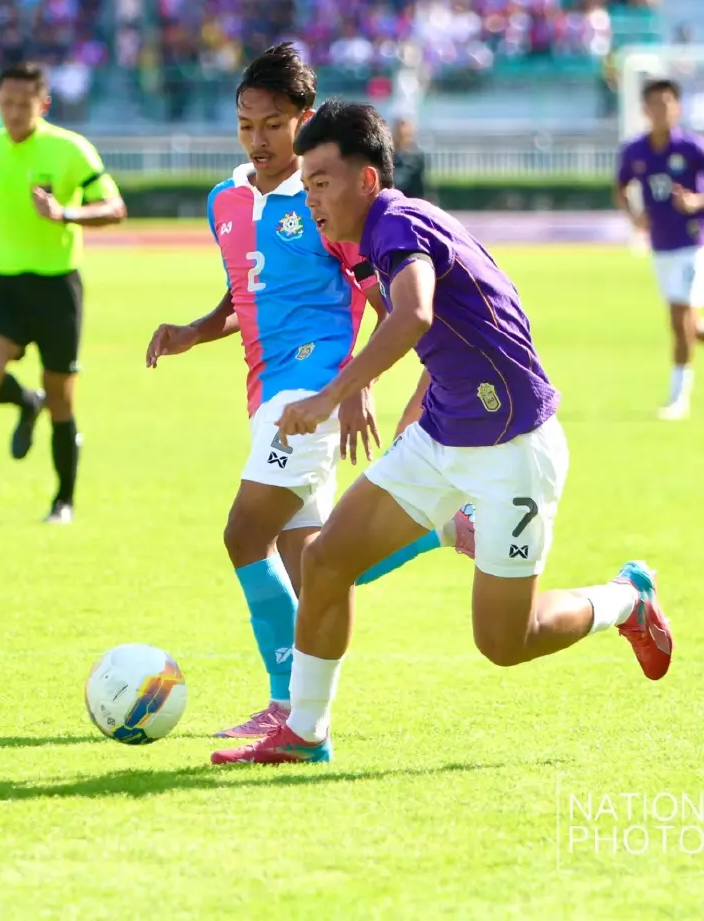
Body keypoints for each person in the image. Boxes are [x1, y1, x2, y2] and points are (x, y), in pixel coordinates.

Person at [211, 100, 673, 766]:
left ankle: (627, 600)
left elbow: (416, 313)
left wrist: (332, 395)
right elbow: (468, 315)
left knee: (507, 640)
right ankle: (305, 732)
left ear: (366, 179)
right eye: (305, 183)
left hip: (514, 452)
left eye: (321, 182)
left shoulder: (396, 221)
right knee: (325, 559)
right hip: (443, 436)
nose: (311, 198)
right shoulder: (383, 231)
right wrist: (425, 397)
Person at [145, 45, 475, 741]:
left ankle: (283, 703)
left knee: (243, 534)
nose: (258, 140)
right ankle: (439, 525)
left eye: (271, 124)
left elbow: (386, 300)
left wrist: (355, 386)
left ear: (302, 119)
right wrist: (191, 330)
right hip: (264, 390)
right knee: (314, 563)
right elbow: (243, 293)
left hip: (309, 391)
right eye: (245, 125)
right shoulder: (225, 200)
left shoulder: (325, 200)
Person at [0, 62, 127, 524]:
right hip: (8, 284)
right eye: (5, 103)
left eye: (23, 104)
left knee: (63, 398)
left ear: (43, 103)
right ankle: (25, 402)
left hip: (58, 287)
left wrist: (66, 214)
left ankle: (63, 500)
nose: (13, 112)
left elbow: (114, 207)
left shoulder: (70, 150)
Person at [615, 78, 704, 421]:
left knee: (679, 322)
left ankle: (678, 399)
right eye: (653, 103)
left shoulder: (694, 147)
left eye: (666, 102)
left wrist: (699, 200)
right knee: (689, 324)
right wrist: (634, 215)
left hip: (693, 244)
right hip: (661, 246)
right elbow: (620, 188)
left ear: (677, 107)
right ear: (644, 109)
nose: (660, 109)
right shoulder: (634, 151)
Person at [391, 117, 426, 200]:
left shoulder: (416, 157)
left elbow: (420, 184)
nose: (400, 134)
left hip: (411, 199)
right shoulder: (388, 155)